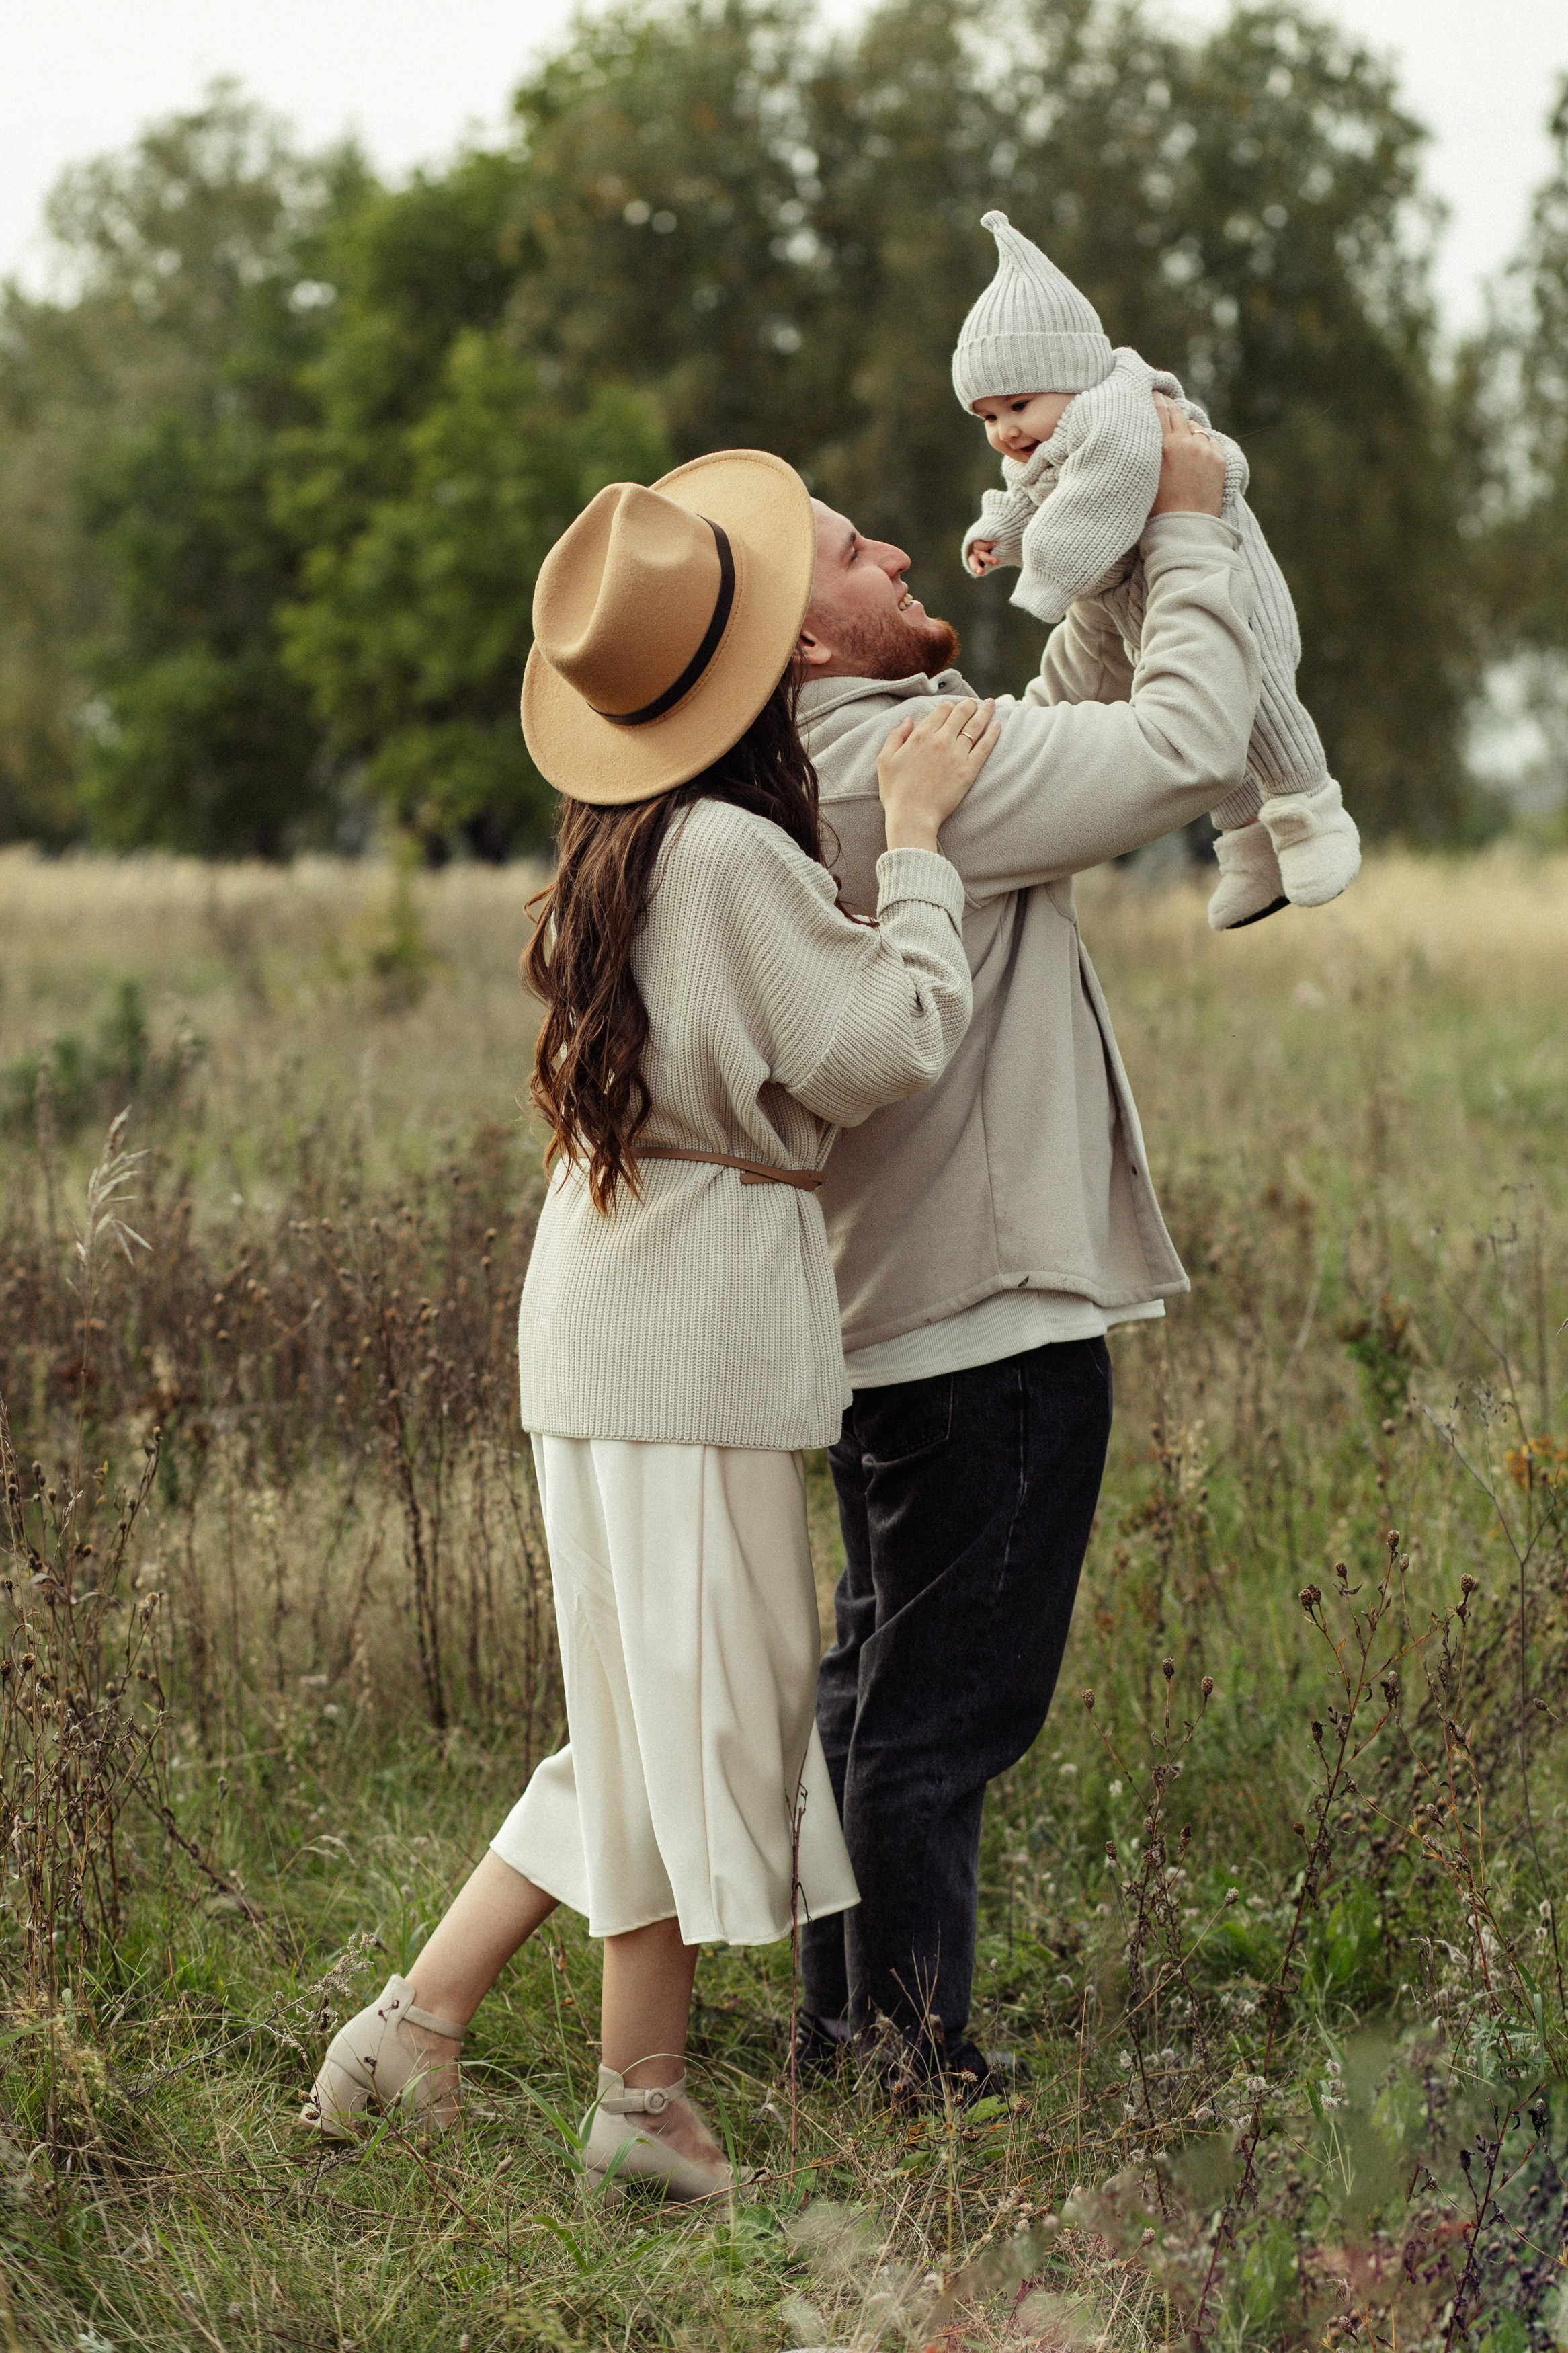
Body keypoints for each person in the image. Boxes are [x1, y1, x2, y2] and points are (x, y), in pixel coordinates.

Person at [302, 449, 998, 2200]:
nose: (866, 552)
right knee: (713, 1717)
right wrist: (912, 846)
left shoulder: (633, 837)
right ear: (774, 666)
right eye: (829, 556)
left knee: (639, 1712)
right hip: (686, 1332)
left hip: (602, 1314)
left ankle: (416, 2023)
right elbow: (886, 1043)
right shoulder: (735, 859)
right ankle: (641, 2101)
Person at [790, 395, 1264, 2096]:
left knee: (875, 1684)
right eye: (854, 551)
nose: (899, 549)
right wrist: (1195, 516)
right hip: (977, 1323)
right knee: (941, 1715)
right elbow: (1184, 744)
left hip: (901, 1314)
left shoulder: (864, 751)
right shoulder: (878, 769)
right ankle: (915, 2066)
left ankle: (844, 2040)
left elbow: (1057, 722)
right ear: (796, 635)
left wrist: (1095, 522)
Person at [958, 209, 1360, 930]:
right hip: (1158, 597)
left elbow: (1090, 504)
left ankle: (1311, 816)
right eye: (987, 417)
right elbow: (1032, 497)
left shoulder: (1116, 416)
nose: (1004, 431)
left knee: (1259, 698)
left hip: (1227, 580)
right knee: (1198, 711)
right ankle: (1249, 852)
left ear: (1071, 376)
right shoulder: (1052, 439)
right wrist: (997, 534)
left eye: (1016, 405)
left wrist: (1045, 573)